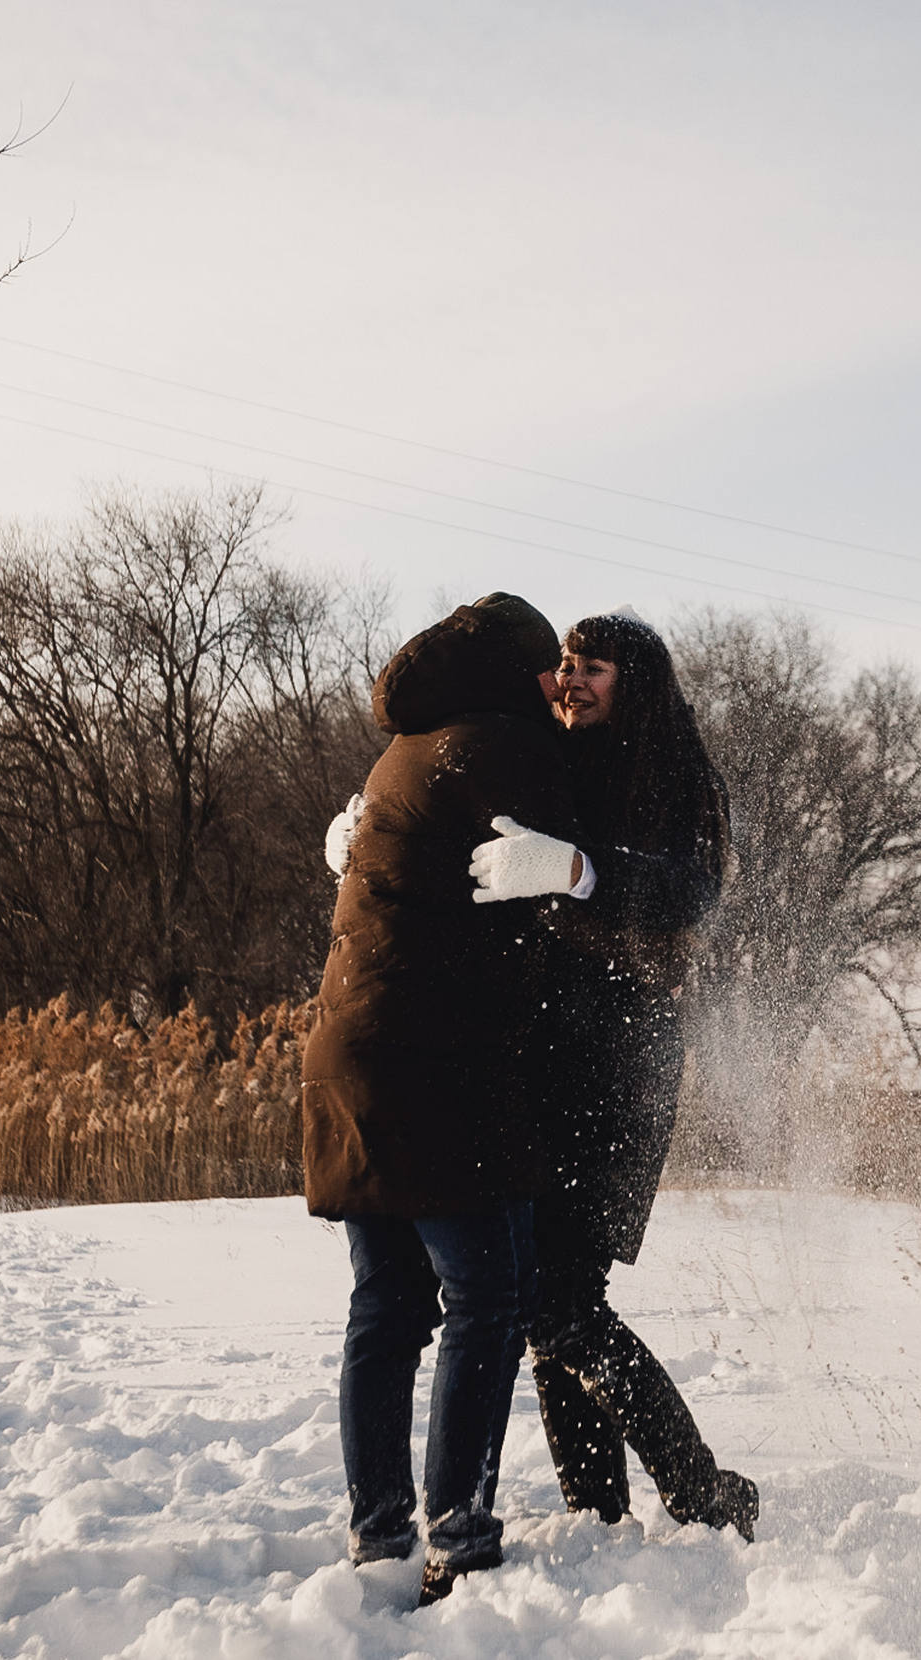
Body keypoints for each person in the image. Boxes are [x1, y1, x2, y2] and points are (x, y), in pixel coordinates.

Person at [300, 592, 586, 1603]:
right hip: (441, 1065)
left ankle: (378, 1533)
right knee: (488, 1299)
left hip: (348, 1055)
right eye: (550, 667)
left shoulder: (407, 748)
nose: (560, 684)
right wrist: (587, 868)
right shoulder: (506, 746)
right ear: (518, 670)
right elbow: (564, 889)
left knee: (385, 1305)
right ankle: (459, 1536)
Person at [498, 609, 758, 1539]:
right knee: (548, 1307)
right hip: (541, 1067)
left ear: (633, 684)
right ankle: (598, 1516)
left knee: (562, 1300)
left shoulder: (676, 775)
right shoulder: (550, 762)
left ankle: (702, 1491)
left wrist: (580, 868)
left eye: (593, 667)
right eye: (566, 663)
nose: (571, 678)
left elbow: (690, 892)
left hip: (621, 1070)